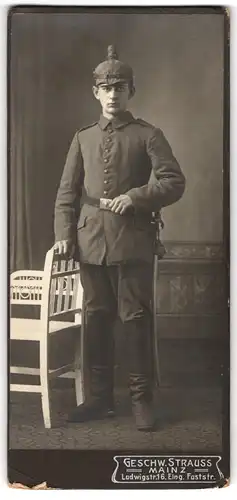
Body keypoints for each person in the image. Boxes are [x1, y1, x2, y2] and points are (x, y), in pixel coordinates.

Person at [54, 45, 185, 431]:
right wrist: (64, 234)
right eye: (105, 88)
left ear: (131, 91)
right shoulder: (83, 138)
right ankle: (99, 400)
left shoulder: (149, 135)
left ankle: (141, 401)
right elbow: (67, 194)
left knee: (135, 319)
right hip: (90, 242)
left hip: (133, 241)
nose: (113, 94)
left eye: (120, 87)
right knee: (96, 319)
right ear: (95, 92)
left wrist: (135, 198)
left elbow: (174, 182)